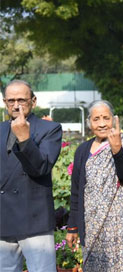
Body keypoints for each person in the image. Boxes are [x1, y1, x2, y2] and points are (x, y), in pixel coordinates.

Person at [66, 100, 123, 272]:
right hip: (93, 227)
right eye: (96, 119)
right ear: (89, 123)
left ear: (114, 120)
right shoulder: (82, 150)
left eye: (106, 118)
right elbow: (77, 191)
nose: (101, 124)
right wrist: (72, 227)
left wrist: (117, 150)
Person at [0, 80, 62, 272]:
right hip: (3, 219)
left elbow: (41, 167)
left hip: (35, 219)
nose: (16, 105)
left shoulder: (49, 129)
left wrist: (25, 139)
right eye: (11, 101)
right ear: (4, 102)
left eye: (21, 100)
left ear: (33, 101)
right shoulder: (0, 129)